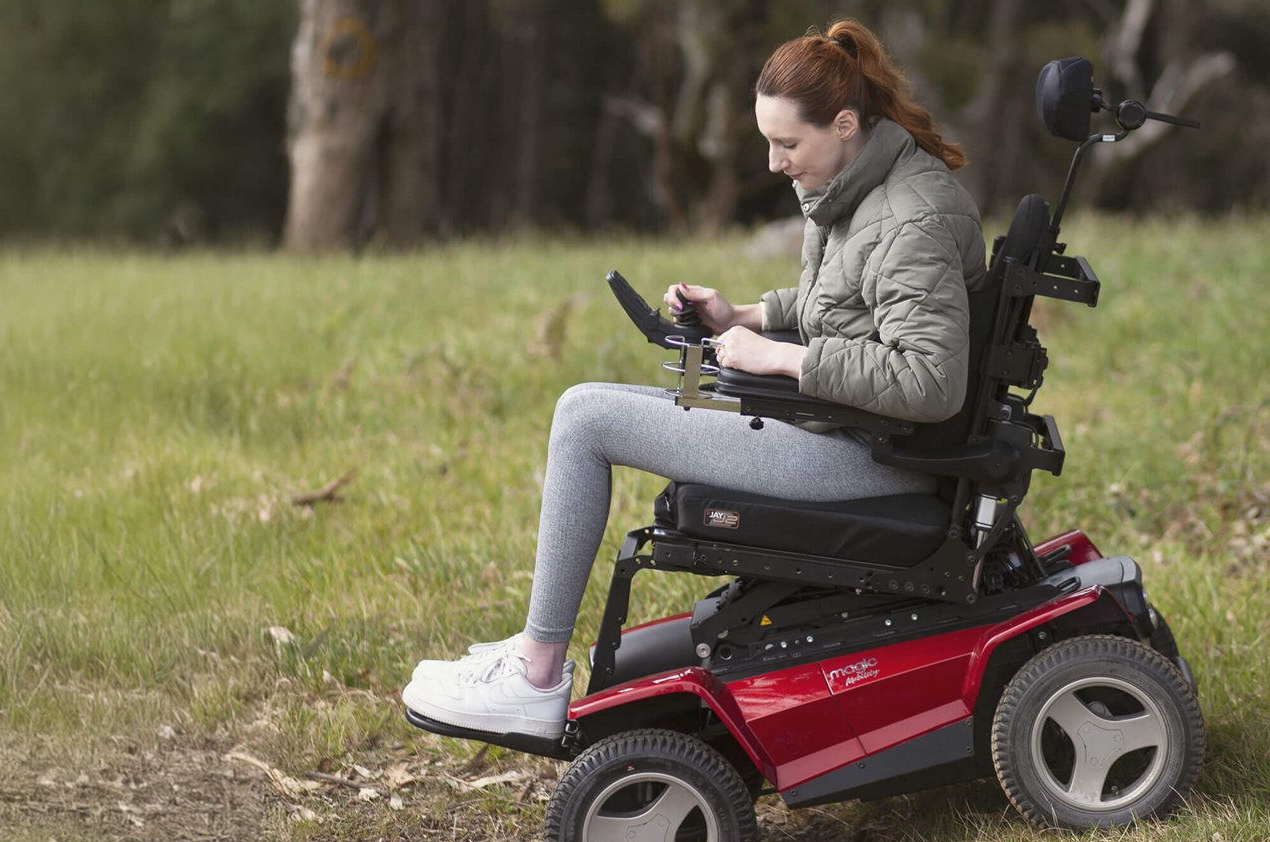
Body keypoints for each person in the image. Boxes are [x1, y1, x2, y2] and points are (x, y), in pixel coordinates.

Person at [402, 18, 987, 740]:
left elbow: (930, 381)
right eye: (767, 142)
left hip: (871, 460)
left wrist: (779, 356)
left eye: (786, 144)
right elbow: (852, 303)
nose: (774, 163)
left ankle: (535, 674)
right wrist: (740, 312)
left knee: (584, 417)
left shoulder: (908, 216)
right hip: (844, 431)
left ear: (843, 123)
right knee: (583, 407)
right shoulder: (865, 186)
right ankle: (535, 656)